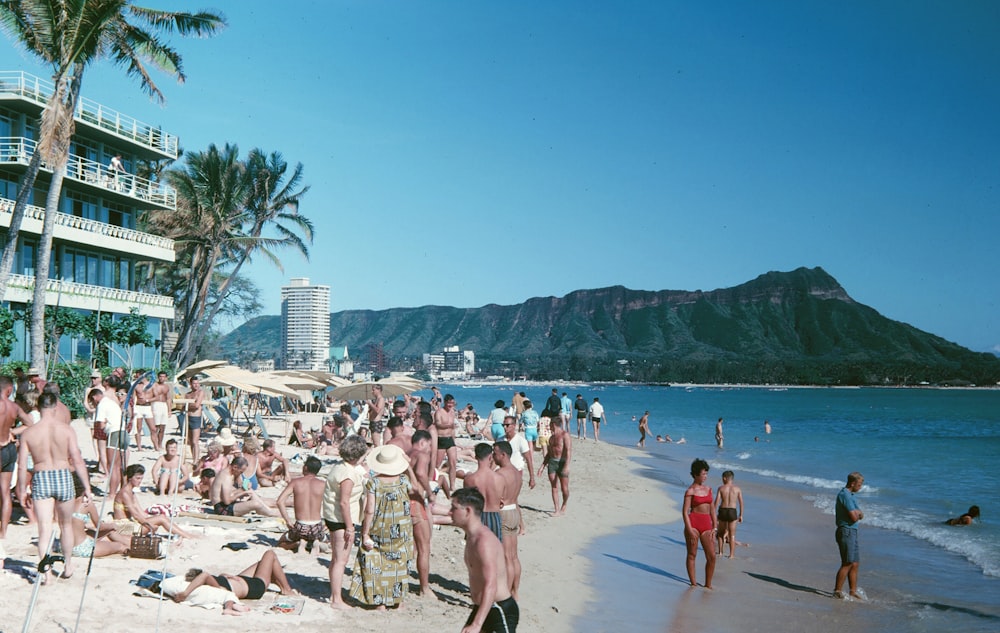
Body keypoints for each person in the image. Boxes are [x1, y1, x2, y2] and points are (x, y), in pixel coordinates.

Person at [16, 392, 93, 582]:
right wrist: (87, 487)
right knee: (65, 525)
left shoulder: (29, 432)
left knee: (44, 529)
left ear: (38, 408)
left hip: (41, 476)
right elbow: (77, 459)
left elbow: (22, 465)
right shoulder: (65, 430)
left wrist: (21, 489)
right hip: (62, 475)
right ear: (55, 407)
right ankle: (67, 565)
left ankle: (46, 573)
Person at [350, 444, 415, 610]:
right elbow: (415, 488)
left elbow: (369, 509)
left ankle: (380, 602)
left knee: (376, 560)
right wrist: (409, 468)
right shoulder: (403, 480)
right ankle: (397, 601)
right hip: (402, 527)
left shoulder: (374, 483)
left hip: (380, 525)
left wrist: (365, 533)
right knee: (400, 561)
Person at [451, 487, 518, 633]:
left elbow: (491, 584)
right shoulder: (472, 535)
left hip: (499, 609)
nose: (450, 512)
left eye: (453, 508)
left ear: (467, 511)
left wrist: (477, 624)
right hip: (483, 607)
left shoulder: (484, 542)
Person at [323, 434, 368, 609]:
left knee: (336, 559)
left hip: (333, 517)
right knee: (341, 560)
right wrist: (350, 527)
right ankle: (336, 599)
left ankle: (335, 594)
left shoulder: (341, 467)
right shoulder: (348, 475)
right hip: (341, 520)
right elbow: (344, 501)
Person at [173, 549, 295, 606]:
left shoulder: (215, 583)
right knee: (270, 554)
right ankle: (286, 590)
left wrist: (223, 575)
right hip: (255, 586)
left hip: (240, 579)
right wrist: (185, 593)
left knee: (262, 563)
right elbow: (204, 575)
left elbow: (207, 577)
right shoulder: (218, 589)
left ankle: (275, 578)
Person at [114, 464, 197, 539]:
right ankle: (187, 536)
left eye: (141, 478)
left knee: (161, 517)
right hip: (123, 528)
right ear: (130, 478)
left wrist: (152, 519)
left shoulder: (131, 492)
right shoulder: (124, 493)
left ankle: (185, 534)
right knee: (161, 518)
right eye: (137, 478)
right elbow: (136, 515)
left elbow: (141, 513)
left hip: (130, 524)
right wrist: (150, 524)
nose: (139, 481)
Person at [276, 456, 328, 553]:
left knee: (281, 543)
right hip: (316, 527)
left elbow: (280, 501)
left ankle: (298, 544)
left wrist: (287, 520)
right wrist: (328, 523)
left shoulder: (295, 482)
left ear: (305, 468)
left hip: (300, 526)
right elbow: (332, 504)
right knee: (328, 540)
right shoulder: (323, 484)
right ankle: (316, 543)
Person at [406, 430, 436, 598]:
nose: (430, 449)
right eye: (430, 445)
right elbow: (420, 474)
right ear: (423, 442)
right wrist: (429, 492)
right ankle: (424, 588)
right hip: (415, 501)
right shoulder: (422, 454)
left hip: (402, 501)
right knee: (424, 547)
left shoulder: (406, 453)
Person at [493, 441, 523, 599]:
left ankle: (507, 593)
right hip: (514, 512)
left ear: (503, 455)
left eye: (495, 453)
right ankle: (515, 591)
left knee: (506, 557)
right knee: (514, 555)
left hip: (504, 513)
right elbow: (516, 499)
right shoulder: (517, 473)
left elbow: (496, 500)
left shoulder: (501, 474)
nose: (493, 455)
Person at [683, 458, 716, 589]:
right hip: (693, 524)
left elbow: (712, 509)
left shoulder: (709, 489)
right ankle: (693, 583)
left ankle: (708, 584)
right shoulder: (690, 491)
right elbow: (685, 512)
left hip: (707, 525)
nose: (705, 476)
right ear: (696, 474)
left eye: (707, 474)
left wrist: (715, 526)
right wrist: (689, 529)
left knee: (712, 556)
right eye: (703, 474)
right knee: (692, 554)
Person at [210, 456, 277, 517]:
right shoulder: (226, 477)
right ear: (235, 467)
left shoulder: (229, 473)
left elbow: (234, 489)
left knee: (255, 496)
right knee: (256, 504)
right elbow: (227, 501)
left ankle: (268, 509)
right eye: (240, 472)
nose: (240, 474)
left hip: (226, 504)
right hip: (222, 509)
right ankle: (270, 512)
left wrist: (244, 488)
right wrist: (242, 492)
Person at [833, 471, 865, 600]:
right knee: (847, 562)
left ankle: (853, 591)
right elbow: (854, 517)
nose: (860, 487)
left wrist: (858, 514)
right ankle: (837, 590)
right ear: (853, 483)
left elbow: (860, 514)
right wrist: (858, 514)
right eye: (859, 484)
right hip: (846, 531)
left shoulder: (851, 495)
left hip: (852, 531)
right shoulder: (845, 495)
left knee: (855, 563)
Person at [464, 443, 504, 541]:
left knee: (475, 551)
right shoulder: (499, 479)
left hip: (476, 517)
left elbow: (466, 502)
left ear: (476, 457)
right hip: (494, 516)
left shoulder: (469, 479)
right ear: (490, 457)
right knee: (494, 551)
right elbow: (501, 501)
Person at [537, 417, 571, 516]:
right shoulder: (551, 438)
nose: (548, 426)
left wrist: (567, 466)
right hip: (552, 463)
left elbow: (568, 451)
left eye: (549, 424)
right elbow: (548, 454)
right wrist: (542, 467)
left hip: (562, 462)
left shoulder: (565, 435)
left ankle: (564, 504)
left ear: (554, 424)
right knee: (554, 486)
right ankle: (556, 510)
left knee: (564, 489)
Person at [714, 470, 744, 558]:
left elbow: (716, 502)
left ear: (724, 478)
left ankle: (720, 552)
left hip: (723, 510)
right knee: (732, 534)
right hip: (732, 511)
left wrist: (713, 513)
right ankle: (731, 555)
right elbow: (741, 502)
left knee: (720, 533)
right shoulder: (737, 489)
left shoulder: (721, 488)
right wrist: (741, 515)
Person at [435, 394, 460, 491]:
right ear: (445, 402)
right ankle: (435, 482)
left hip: (450, 439)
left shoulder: (452, 412)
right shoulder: (439, 412)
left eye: (452, 403)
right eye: (449, 403)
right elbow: (438, 424)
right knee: (437, 464)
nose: (450, 405)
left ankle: (452, 485)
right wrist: (448, 426)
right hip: (441, 439)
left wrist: (454, 440)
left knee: (453, 463)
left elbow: (453, 429)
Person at [133, 373, 158, 451]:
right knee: (138, 428)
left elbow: (157, 397)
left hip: (147, 407)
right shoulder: (136, 385)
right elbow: (133, 397)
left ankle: (156, 446)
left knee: (153, 428)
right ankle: (139, 447)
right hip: (138, 407)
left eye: (138, 376)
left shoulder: (152, 385)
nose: (137, 378)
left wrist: (147, 400)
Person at [184, 377, 205, 465]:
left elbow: (196, 405)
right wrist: (189, 405)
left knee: (195, 441)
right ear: (190, 384)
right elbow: (182, 406)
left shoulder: (200, 392)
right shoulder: (187, 395)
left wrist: (188, 406)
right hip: (188, 418)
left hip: (196, 418)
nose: (196, 385)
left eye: (197, 383)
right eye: (194, 383)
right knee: (189, 441)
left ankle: (196, 460)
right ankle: (194, 458)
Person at [149, 371, 172, 451]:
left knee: (163, 427)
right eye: (160, 376)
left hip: (164, 405)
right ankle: (155, 445)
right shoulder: (154, 385)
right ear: (158, 377)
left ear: (166, 377)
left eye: (163, 376)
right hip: (156, 404)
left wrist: (169, 410)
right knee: (156, 427)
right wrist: (150, 408)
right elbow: (151, 396)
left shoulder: (167, 386)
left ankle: (160, 444)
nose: (162, 378)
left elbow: (168, 398)